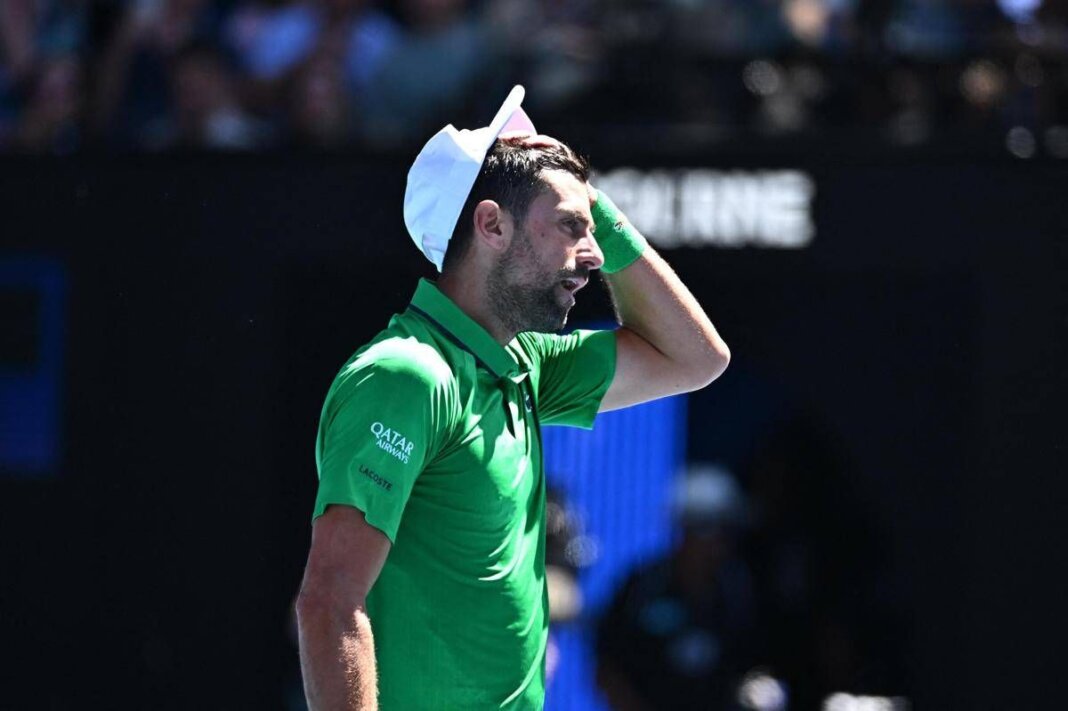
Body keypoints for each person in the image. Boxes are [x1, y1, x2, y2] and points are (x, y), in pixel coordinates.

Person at [295, 85, 731, 710]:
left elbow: (698, 358)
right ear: (492, 224)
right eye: (572, 226)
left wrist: (589, 200)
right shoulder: (406, 376)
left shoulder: (527, 365)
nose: (595, 255)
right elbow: (328, 602)